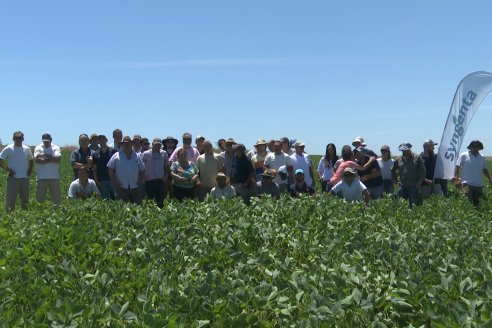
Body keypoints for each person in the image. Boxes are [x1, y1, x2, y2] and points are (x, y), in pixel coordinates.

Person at [0, 131, 34, 211]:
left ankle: (24, 219)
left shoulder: (27, 149)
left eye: (20, 138)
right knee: (10, 201)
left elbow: (31, 160)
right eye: (16, 138)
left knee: (25, 201)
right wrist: (7, 169)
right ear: (13, 139)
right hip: (13, 178)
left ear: (23, 139)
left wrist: (30, 170)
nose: (18, 139)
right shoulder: (8, 148)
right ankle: (9, 219)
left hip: (25, 178)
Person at [107, 136, 146, 205]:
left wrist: (139, 181)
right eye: (125, 143)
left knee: (137, 208)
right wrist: (115, 182)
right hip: (121, 187)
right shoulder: (116, 156)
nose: (127, 145)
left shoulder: (137, 156)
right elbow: (110, 169)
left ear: (131, 144)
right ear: (122, 144)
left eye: (129, 143)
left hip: (135, 187)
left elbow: (142, 170)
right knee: (122, 209)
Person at [454, 140, 492, 207]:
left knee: (478, 204)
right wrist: (457, 179)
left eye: (477, 146)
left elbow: (485, 169)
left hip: (479, 185)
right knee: (467, 203)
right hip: (466, 184)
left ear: (480, 147)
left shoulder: (482, 157)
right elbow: (457, 166)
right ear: (470, 147)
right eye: (473, 146)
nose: (475, 147)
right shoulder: (464, 155)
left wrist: (490, 178)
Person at [140, 138, 169, 208]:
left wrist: (165, 177)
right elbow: (140, 167)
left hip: (160, 180)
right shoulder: (145, 154)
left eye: (159, 145)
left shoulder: (164, 153)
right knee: (149, 201)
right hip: (149, 181)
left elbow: (167, 166)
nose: (157, 146)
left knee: (160, 202)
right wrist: (143, 178)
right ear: (152, 144)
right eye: (156, 145)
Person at [395, 142, 426, 208]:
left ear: (409, 149)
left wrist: (419, 182)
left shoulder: (416, 157)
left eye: (405, 150)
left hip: (414, 185)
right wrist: (396, 181)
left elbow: (423, 171)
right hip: (403, 185)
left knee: (413, 204)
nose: (403, 152)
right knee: (401, 204)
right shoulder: (398, 159)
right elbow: (392, 170)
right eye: (402, 150)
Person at [33, 132, 62, 204]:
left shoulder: (56, 147)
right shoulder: (38, 147)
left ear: (51, 140)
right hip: (41, 178)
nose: (45, 143)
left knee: (57, 200)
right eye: (44, 141)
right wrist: (52, 159)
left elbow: (58, 160)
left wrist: (44, 155)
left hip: (54, 177)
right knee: (40, 200)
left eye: (47, 141)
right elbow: (37, 160)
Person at [92, 134, 117, 200]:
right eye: (100, 139)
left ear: (106, 140)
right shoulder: (95, 154)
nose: (102, 141)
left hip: (112, 180)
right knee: (105, 200)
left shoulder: (113, 151)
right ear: (98, 141)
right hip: (101, 180)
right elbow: (94, 169)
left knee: (116, 198)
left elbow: (116, 166)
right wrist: (96, 180)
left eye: (103, 139)